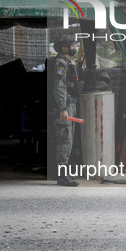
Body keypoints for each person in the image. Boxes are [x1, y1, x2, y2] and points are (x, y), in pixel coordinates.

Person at [48, 35, 81, 186]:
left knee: (68, 139)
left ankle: (64, 173)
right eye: (72, 45)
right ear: (64, 47)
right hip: (65, 107)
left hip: (69, 105)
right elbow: (59, 87)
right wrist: (63, 108)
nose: (74, 47)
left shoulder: (67, 62)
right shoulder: (61, 63)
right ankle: (61, 176)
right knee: (64, 139)